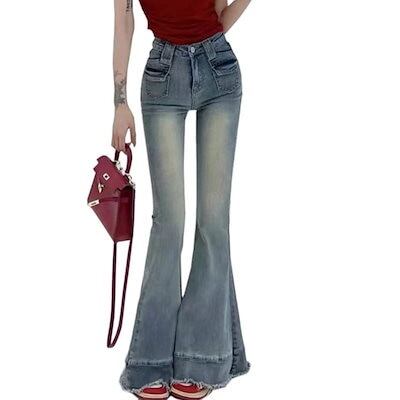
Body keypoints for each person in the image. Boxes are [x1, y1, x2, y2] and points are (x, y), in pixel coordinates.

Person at [111, 1, 252, 399]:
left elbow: (220, 8)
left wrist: (211, 39)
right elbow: (124, 20)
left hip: (218, 70)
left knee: (213, 222)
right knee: (169, 222)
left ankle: (201, 356)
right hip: (162, 74)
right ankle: (151, 361)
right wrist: (119, 102)